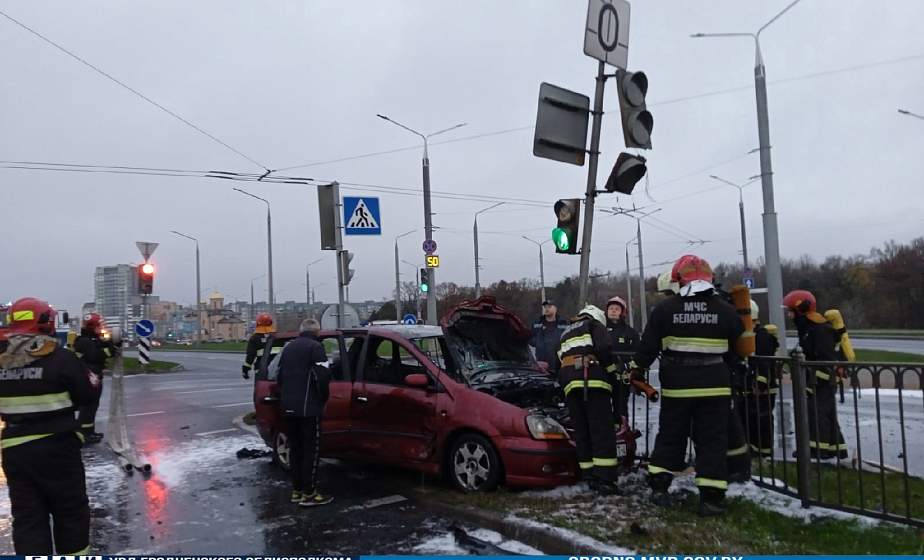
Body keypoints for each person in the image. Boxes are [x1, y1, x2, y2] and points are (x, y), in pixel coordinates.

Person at [632, 255, 745, 516]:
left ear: (679, 280)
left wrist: (636, 370)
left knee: (671, 436)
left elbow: (648, 347)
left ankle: (659, 488)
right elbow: (737, 349)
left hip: (677, 387)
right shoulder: (726, 310)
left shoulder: (665, 310)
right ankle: (711, 499)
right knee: (712, 441)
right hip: (714, 387)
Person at [0, 297, 95, 554]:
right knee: (70, 513)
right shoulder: (61, 358)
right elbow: (88, 393)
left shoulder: (1, 361)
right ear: (46, 322)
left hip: (15, 450)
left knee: (28, 519)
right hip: (58, 447)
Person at [552, 305, 620, 495]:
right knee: (601, 431)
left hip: (570, 385)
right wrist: (611, 370)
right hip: (592, 381)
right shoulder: (594, 325)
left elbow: (556, 361)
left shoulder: (565, 331)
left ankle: (589, 475)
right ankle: (605, 480)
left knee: (582, 431)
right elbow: (605, 348)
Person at [783, 289, 847, 459]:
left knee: (817, 414)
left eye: (791, 311)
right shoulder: (808, 328)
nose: (789, 316)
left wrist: (815, 377)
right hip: (816, 380)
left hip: (821, 381)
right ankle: (837, 449)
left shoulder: (818, 329)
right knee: (826, 413)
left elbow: (825, 358)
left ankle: (818, 450)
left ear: (800, 309)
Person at [276, 318, 333, 507]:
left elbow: (280, 377)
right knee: (311, 451)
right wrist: (322, 399)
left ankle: (297, 491)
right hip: (308, 409)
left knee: (296, 450)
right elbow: (323, 377)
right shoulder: (315, 348)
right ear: (317, 332)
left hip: (288, 408)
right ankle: (310, 493)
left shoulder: (288, 348)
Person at [740, 300, 780, 457]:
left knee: (762, 419)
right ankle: (754, 450)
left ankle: (764, 453)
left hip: (763, 389)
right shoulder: (752, 335)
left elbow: (763, 361)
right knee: (752, 419)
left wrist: (760, 382)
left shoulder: (761, 336)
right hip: (753, 387)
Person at [72, 312, 115, 443]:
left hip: (93, 377)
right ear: (92, 326)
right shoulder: (84, 341)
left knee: (92, 406)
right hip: (88, 378)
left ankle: (89, 432)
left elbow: (102, 348)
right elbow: (96, 356)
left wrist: (109, 341)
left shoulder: (92, 339)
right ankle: (84, 434)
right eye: (99, 325)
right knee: (88, 406)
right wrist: (111, 349)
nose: (101, 327)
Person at [604, 296, 639, 422]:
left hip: (622, 378)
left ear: (622, 312)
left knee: (621, 408)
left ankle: (623, 431)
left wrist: (630, 368)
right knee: (602, 407)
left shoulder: (631, 333)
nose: (613, 311)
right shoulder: (599, 330)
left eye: (617, 309)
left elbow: (637, 354)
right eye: (611, 308)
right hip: (603, 376)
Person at [530, 300, 567, 369]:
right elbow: (530, 340)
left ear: (555, 308)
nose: (546, 309)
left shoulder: (564, 324)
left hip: (558, 363)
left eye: (549, 307)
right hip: (540, 363)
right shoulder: (537, 324)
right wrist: (538, 342)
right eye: (545, 307)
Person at [243, 312, 276, 379]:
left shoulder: (254, 338)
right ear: (271, 323)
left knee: (260, 388)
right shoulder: (276, 336)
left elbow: (250, 356)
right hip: (276, 369)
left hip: (261, 369)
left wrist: (245, 369)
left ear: (257, 323)